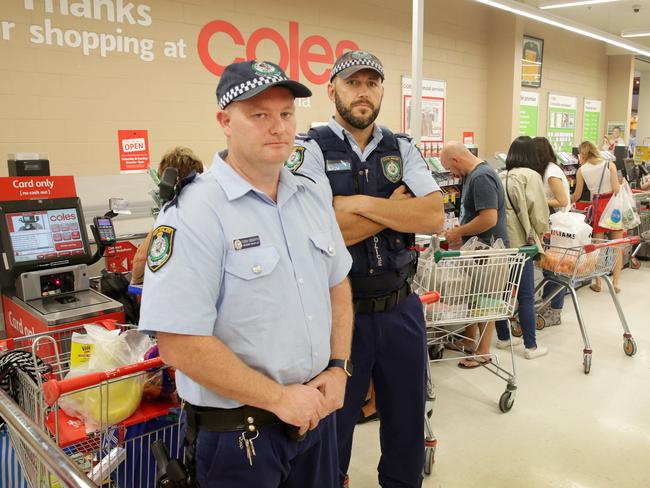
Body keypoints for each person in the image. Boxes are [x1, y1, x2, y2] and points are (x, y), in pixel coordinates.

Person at [138, 60, 354, 488]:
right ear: (225, 121)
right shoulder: (195, 213)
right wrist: (279, 398)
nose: (277, 127)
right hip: (239, 437)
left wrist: (338, 367)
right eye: (259, 115)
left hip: (315, 417)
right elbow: (179, 343)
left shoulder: (310, 195)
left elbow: (338, 286)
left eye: (286, 114)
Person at [289, 50, 444, 488]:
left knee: (407, 422)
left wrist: (355, 205)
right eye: (352, 83)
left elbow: (432, 216)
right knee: (332, 428)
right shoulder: (310, 149)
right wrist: (395, 209)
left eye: (371, 83)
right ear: (332, 90)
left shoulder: (403, 148)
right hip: (339, 316)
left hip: (401, 311)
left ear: (381, 91)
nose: (362, 92)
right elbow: (318, 231)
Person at [439, 142, 508, 368]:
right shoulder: (471, 176)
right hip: (476, 250)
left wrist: (459, 231)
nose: (450, 174)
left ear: (457, 160)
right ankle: (469, 340)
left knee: (486, 299)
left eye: (449, 168)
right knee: (474, 295)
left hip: (488, 251)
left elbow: (489, 219)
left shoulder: (481, 178)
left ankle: (483, 351)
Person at [496, 136, 550, 359]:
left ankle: (504, 337)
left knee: (501, 292)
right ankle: (531, 346)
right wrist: (541, 231)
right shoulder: (531, 176)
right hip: (521, 245)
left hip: (499, 243)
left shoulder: (499, 175)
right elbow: (538, 213)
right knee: (526, 295)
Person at [131, 146, 204, 285]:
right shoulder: (210, 206)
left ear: (167, 180)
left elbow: (140, 261)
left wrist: (135, 279)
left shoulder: (172, 211)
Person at [571, 140, 622, 293]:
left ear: (582, 154)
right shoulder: (609, 165)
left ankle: (598, 282)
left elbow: (577, 195)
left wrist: (565, 200)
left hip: (598, 205)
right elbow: (616, 189)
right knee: (617, 244)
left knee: (597, 246)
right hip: (613, 206)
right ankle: (616, 283)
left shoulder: (581, 170)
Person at [533, 136, 570, 326]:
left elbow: (562, 201)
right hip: (552, 227)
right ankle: (548, 307)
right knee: (550, 270)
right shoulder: (547, 170)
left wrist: (537, 200)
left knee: (554, 271)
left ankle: (553, 311)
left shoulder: (551, 172)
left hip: (557, 228)